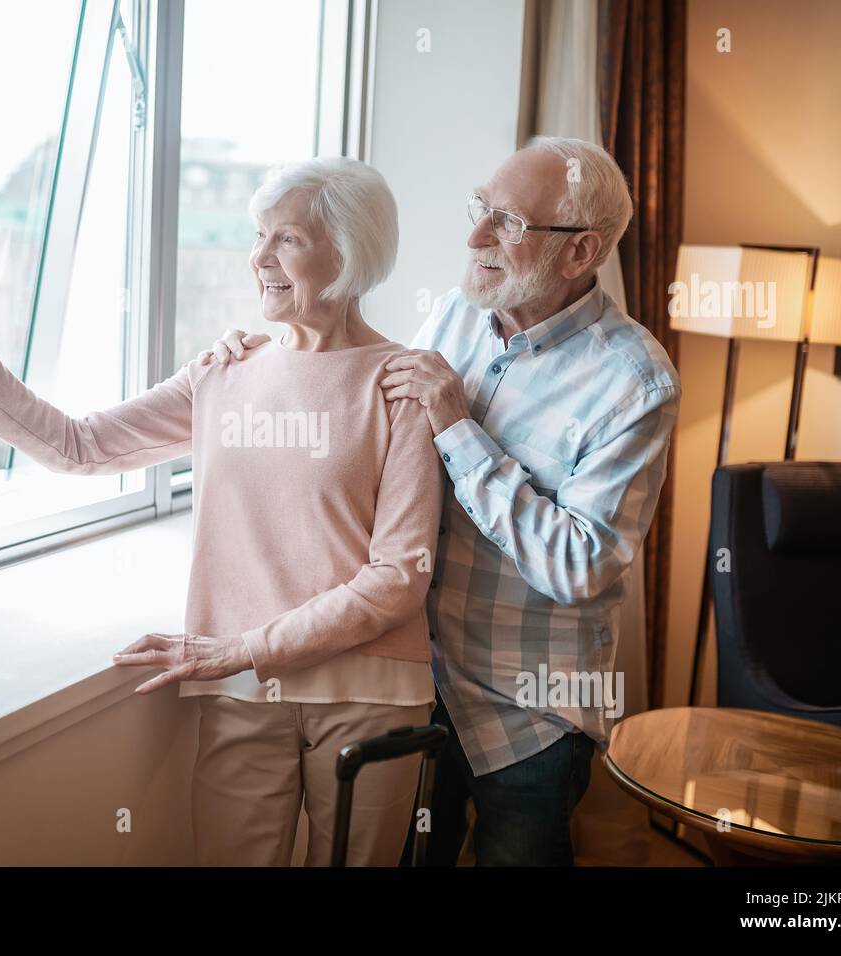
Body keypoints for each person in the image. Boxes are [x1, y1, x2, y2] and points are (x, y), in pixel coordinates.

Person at [0, 156, 443, 866]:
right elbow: (79, 446)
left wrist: (241, 648)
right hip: (241, 686)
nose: (259, 257)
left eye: (287, 240)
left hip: (368, 691)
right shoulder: (225, 373)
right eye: (259, 236)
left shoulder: (403, 385)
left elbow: (397, 577)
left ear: (349, 251)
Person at [204, 136, 682, 865]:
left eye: (508, 223)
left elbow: (581, 566)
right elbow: (369, 422)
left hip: (528, 719)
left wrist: (460, 427)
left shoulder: (635, 384)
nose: (475, 236)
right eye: (480, 208)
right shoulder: (458, 312)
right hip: (416, 686)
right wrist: (264, 359)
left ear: (581, 252)